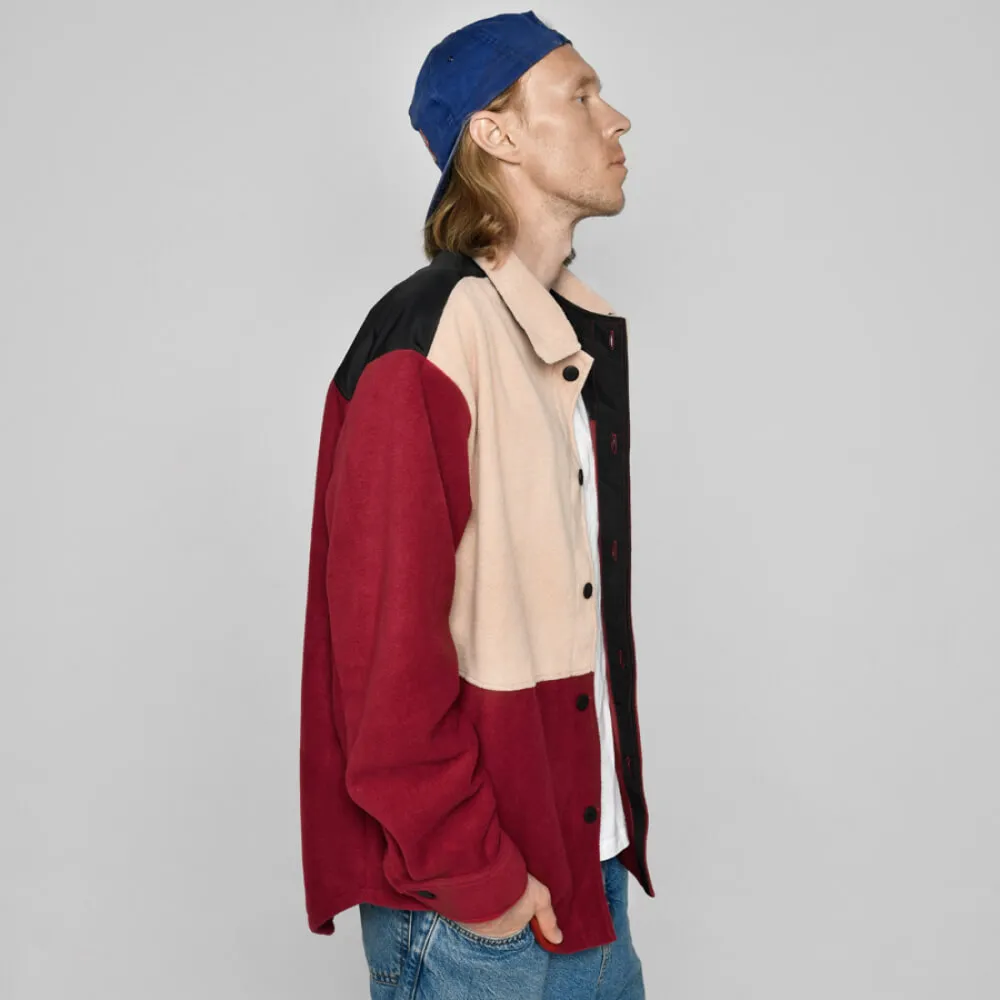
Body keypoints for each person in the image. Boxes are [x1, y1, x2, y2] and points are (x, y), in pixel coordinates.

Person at [299, 10, 653, 998]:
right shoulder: (431, 337)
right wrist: (479, 879)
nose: (617, 119)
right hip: (478, 913)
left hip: (585, 879)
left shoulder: (561, 335)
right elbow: (383, 650)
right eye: (581, 95)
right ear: (496, 134)